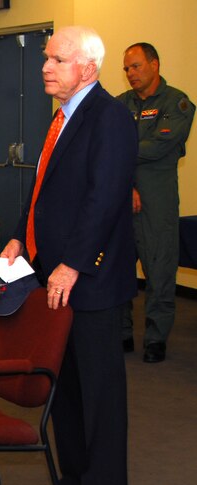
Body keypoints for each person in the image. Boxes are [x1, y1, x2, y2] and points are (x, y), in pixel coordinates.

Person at [0, 26, 137, 485]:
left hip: (90, 280)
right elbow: (44, 192)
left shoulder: (111, 118)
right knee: (66, 389)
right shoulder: (60, 118)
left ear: (88, 68)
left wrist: (74, 262)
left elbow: (104, 199)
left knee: (99, 394)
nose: (45, 66)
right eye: (46, 57)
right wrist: (19, 236)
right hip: (53, 277)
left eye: (57, 59)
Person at [118, 42, 195, 363]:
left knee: (159, 271)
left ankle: (155, 338)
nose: (130, 73)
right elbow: (105, 146)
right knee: (118, 269)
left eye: (135, 66)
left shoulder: (177, 103)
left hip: (157, 202)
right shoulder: (120, 104)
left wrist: (122, 147)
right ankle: (121, 333)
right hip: (122, 197)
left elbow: (160, 145)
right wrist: (128, 183)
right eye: (126, 69)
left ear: (154, 64)